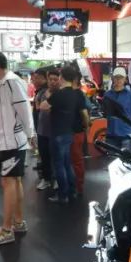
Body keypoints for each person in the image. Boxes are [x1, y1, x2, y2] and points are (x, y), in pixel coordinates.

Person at [0, 51, 35, 246]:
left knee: (8, 181)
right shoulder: (5, 82)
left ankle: (6, 229)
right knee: (15, 180)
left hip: (13, 141)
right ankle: (18, 222)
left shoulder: (11, 81)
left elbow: (24, 109)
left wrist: (30, 134)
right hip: (10, 140)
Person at [38, 65, 88, 204]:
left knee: (59, 165)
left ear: (62, 77)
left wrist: (49, 98)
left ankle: (62, 194)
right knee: (67, 164)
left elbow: (42, 106)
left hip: (57, 133)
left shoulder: (59, 94)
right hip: (69, 133)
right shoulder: (75, 94)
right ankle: (71, 190)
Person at [103, 66, 131, 149]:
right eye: (116, 77)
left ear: (125, 79)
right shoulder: (107, 95)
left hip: (126, 135)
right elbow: (106, 113)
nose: (118, 80)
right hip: (111, 134)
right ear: (112, 78)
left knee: (125, 157)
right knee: (111, 157)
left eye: (121, 77)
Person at [34, 68, 58, 191]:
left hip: (56, 131)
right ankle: (46, 179)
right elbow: (38, 108)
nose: (52, 82)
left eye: (55, 79)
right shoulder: (42, 93)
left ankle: (56, 179)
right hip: (42, 130)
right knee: (44, 156)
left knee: (56, 157)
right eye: (50, 79)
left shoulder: (60, 94)